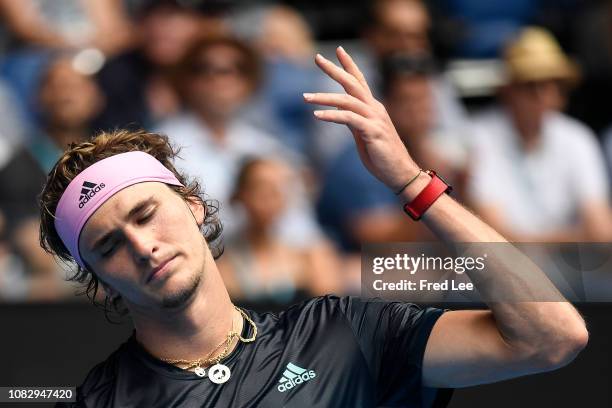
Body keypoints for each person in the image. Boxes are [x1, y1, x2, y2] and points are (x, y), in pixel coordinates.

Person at [44, 48, 587, 407]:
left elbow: (551, 337)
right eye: (109, 245)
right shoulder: (102, 400)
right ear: (97, 280)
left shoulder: (342, 331)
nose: (141, 245)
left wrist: (411, 182)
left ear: (194, 206)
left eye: (145, 214)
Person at [468, 27, 612, 242]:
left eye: (551, 83)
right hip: (506, 269)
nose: (541, 94)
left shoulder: (578, 137)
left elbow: (601, 230)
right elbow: (493, 234)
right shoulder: (477, 137)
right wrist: (576, 238)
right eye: (530, 84)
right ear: (508, 90)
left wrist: (531, 241)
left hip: (568, 272)